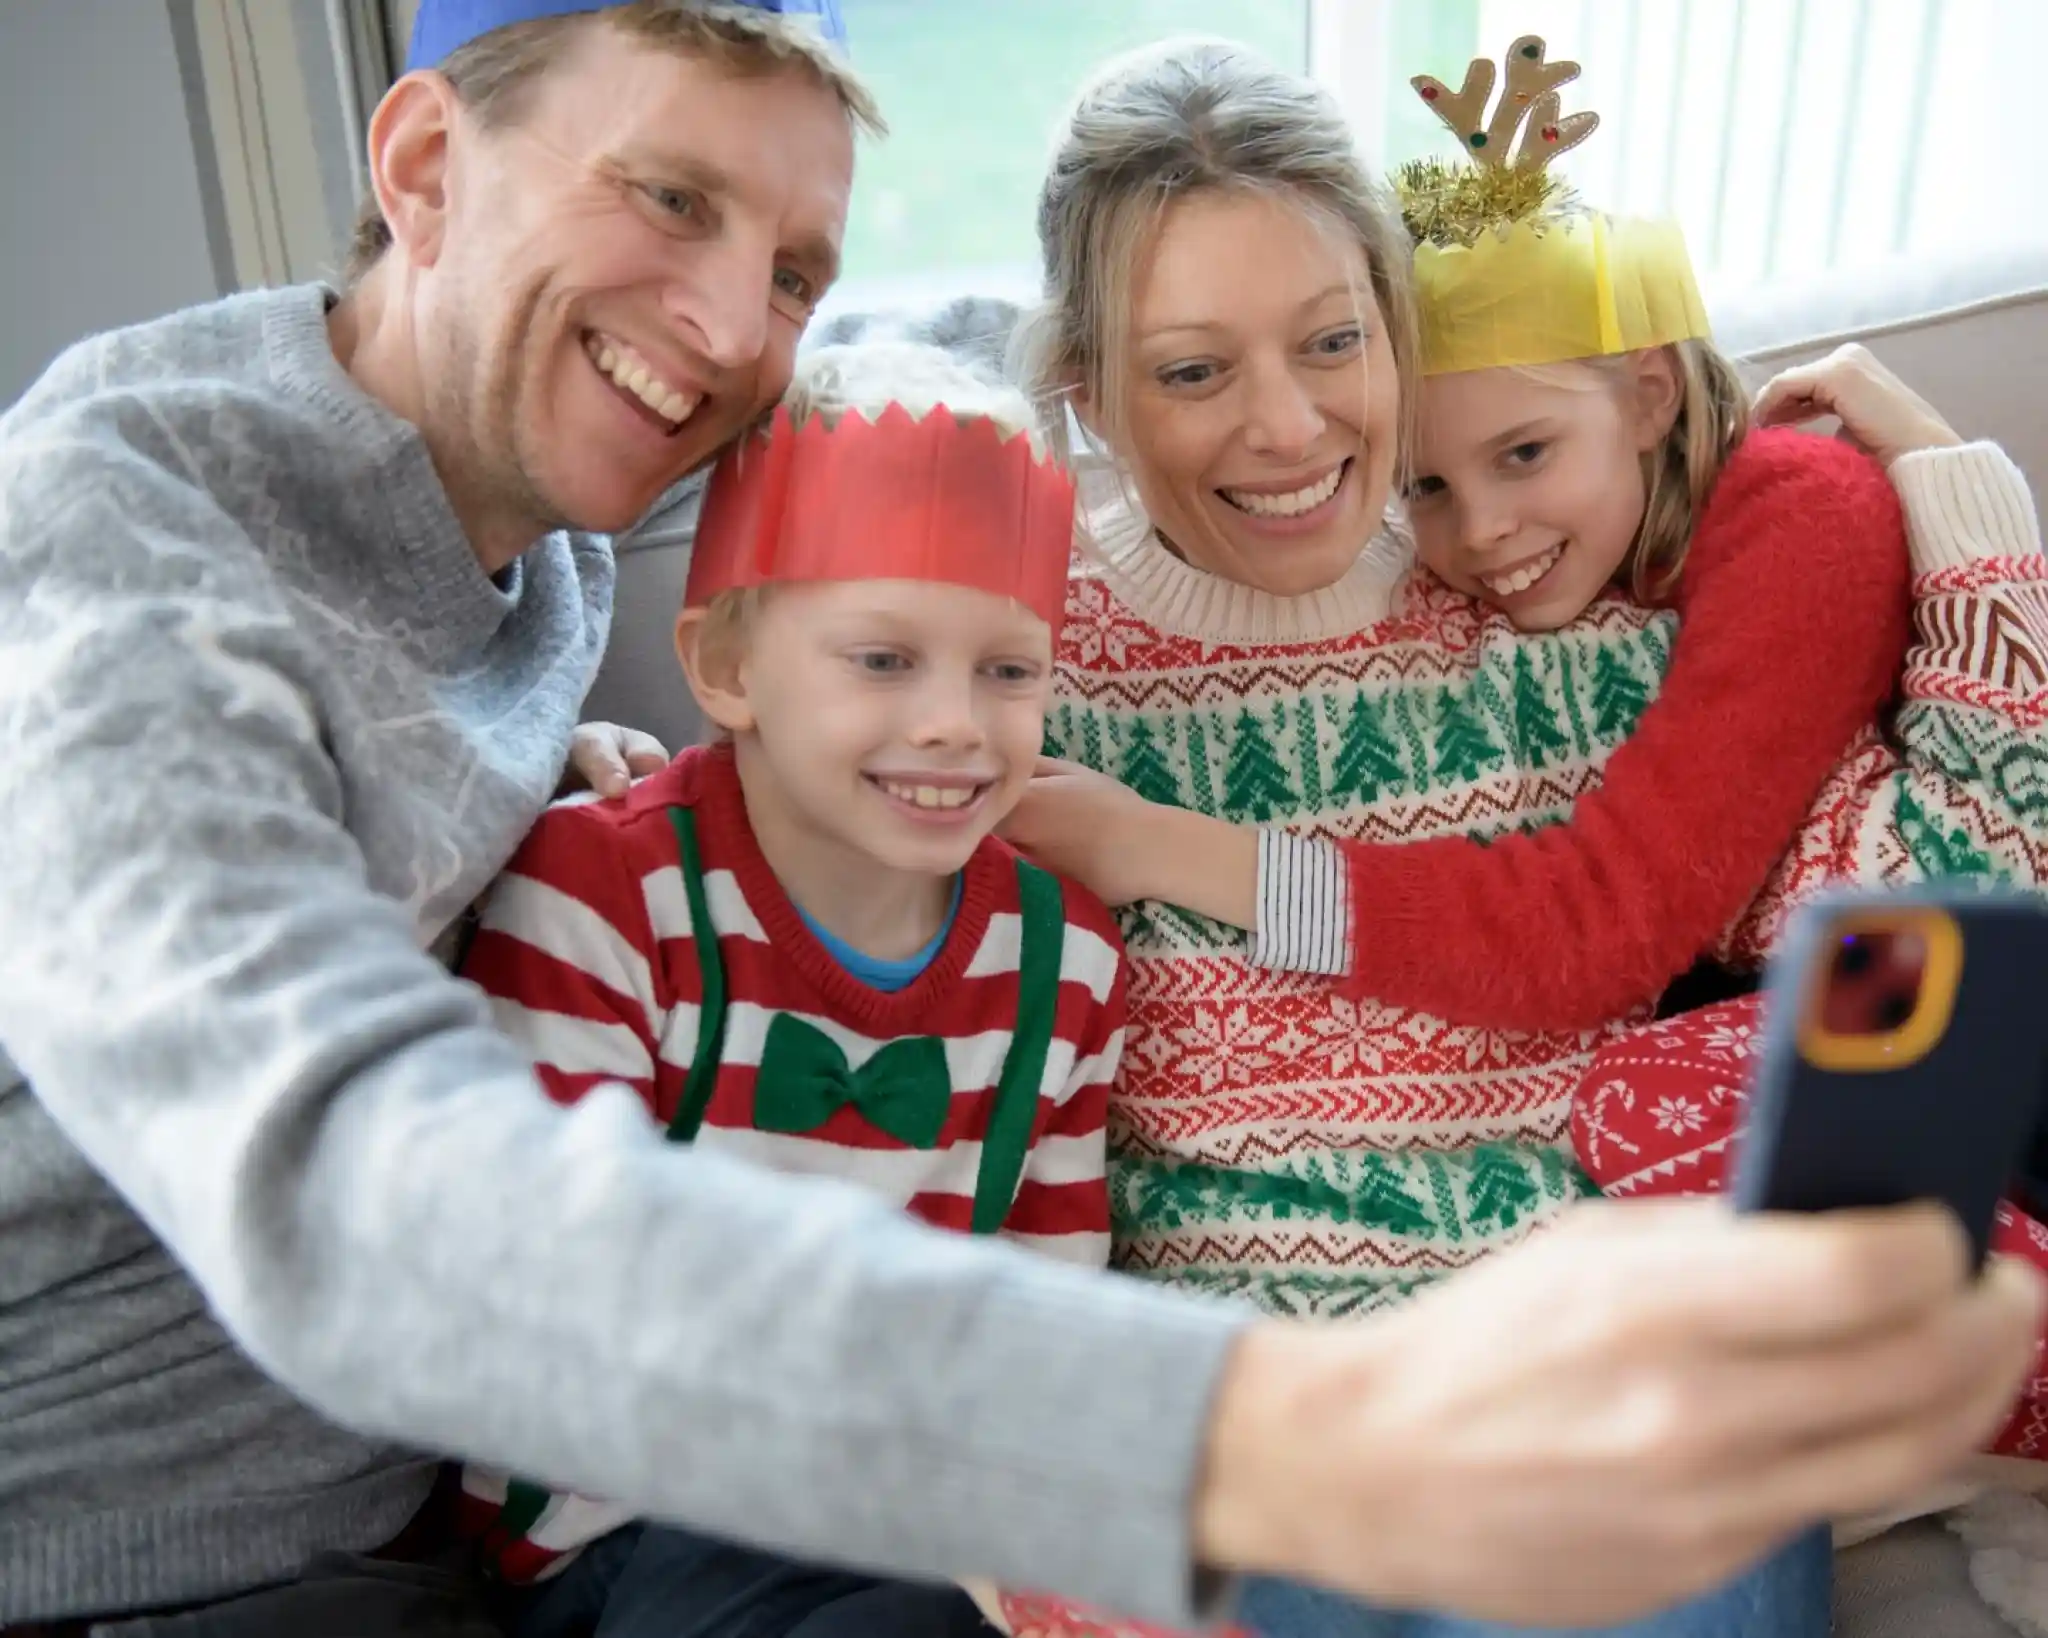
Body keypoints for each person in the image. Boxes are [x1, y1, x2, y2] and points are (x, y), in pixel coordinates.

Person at [0, 3, 2040, 1634]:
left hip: (397, 1526)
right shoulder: (112, 532)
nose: (728, 330)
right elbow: (347, 1183)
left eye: (793, 267)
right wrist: (1240, 1439)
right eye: (664, 199)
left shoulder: (536, 548)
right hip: (143, 1561)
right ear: (425, 168)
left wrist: (1881, 474)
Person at [988, 34, 2045, 1638]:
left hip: (1608, 1393)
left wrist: (1957, 499)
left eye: (1334, 342)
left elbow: (1938, 909)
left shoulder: (1576, 602)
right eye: (1195, 370)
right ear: (1087, 390)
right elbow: (888, 1060)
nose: (1285, 430)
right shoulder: (1009, 658)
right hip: (1261, 1419)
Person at [458, 341, 1123, 1637]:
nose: (954, 724)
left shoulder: (1064, 960)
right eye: (883, 660)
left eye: (1008, 669)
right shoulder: (602, 896)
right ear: (727, 668)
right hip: (634, 1523)